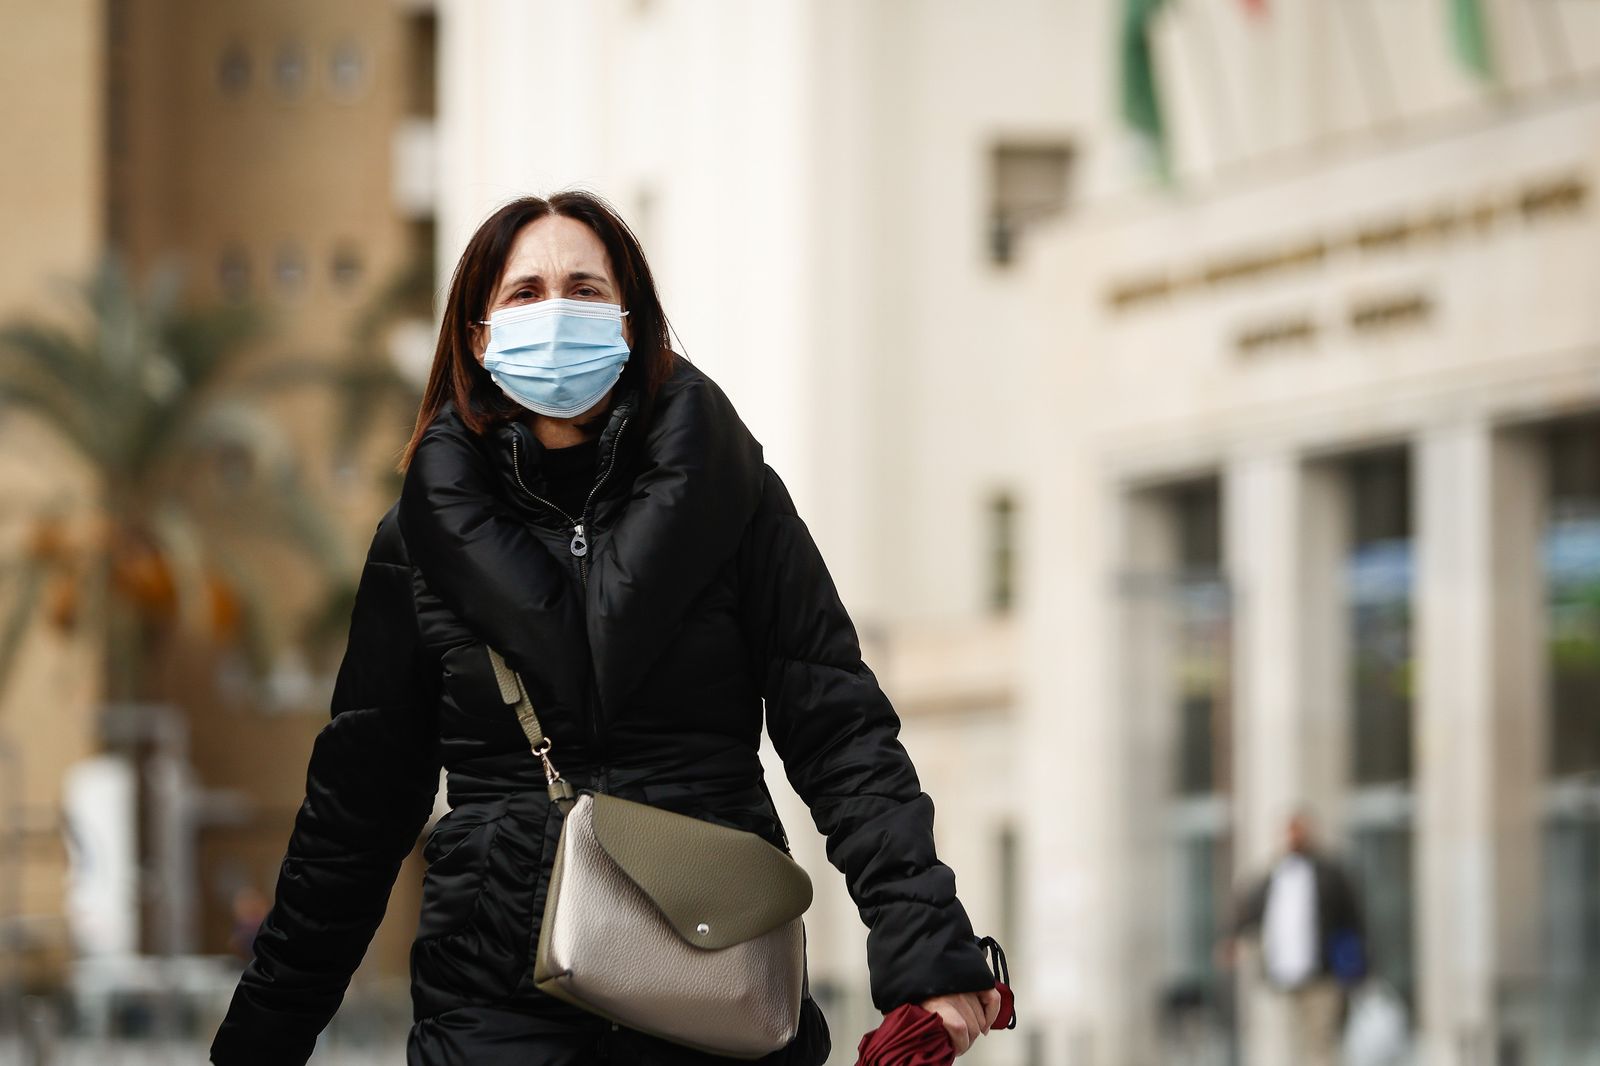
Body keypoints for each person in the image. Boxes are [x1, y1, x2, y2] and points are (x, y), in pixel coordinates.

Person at [208, 191, 1003, 1066]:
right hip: (494, 1011)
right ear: (478, 334)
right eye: (525, 293)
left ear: (629, 322)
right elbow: (355, 814)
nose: (556, 312)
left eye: (585, 290)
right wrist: (259, 1044)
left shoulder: (734, 499)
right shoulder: (420, 542)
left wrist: (926, 950)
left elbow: (840, 730)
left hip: (717, 981)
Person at [1219, 810, 1366, 1066]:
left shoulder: (1329, 874)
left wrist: (1356, 966)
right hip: (1281, 974)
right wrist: (1232, 939)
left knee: (1320, 1043)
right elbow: (1248, 911)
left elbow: (1353, 920)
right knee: (1286, 1044)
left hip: (1321, 973)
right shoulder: (1274, 875)